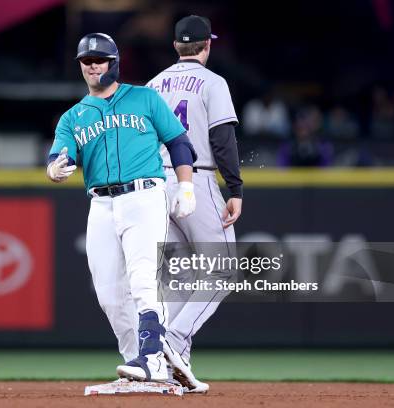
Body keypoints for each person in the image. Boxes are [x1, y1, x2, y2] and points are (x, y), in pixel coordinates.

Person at [47, 32, 199, 384]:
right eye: (87, 60)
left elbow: (178, 142)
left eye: (100, 59)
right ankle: (141, 360)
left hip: (143, 196)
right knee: (110, 294)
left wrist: (186, 186)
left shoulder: (145, 98)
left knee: (144, 279)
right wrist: (55, 168)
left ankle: (152, 360)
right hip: (100, 204)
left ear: (115, 62)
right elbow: (58, 156)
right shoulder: (73, 117)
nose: (93, 65)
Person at [147, 15, 243, 392]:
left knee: (178, 281)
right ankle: (171, 340)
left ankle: (175, 367)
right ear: (206, 46)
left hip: (158, 183)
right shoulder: (213, 82)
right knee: (222, 272)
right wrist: (234, 188)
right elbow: (222, 138)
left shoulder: (153, 85)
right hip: (196, 177)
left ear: (175, 46)